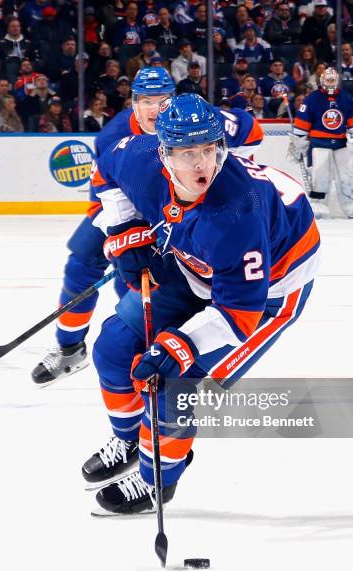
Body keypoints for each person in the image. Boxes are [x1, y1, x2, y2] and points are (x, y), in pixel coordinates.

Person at [82, 94, 319, 514]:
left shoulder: (237, 211)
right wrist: (123, 225)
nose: (201, 165)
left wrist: (178, 346)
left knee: (176, 388)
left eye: (209, 150)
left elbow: (239, 312)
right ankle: (129, 439)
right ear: (163, 152)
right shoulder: (139, 159)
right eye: (188, 152)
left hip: (269, 291)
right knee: (113, 348)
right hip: (197, 267)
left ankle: (159, 479)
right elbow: (105, 168)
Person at [31, 67, 264, 385]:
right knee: (84, 263)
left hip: (188, 205)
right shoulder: (113, 137)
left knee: (157, 283)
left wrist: (231, 167)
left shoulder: (193, 121)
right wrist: (124, 233)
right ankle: (70, 348)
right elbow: (103, 197)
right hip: (131, 209)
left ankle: (149, 348)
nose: (155, 110)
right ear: (133, 103)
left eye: (163, 100)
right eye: (147, 101)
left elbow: (253, 133)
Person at [289, 67, 353, 219]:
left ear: (337, 81)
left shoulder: (346, 98)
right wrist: (297, 143)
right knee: (320, 177)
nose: (330, 83)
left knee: (347, 176)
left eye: (332, 80)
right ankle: (318, 205)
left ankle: (351, 205)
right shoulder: (312, 99)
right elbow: (302, 124)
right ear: (322, 80)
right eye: (328, 80)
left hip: (341, 143)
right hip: (319, 143)